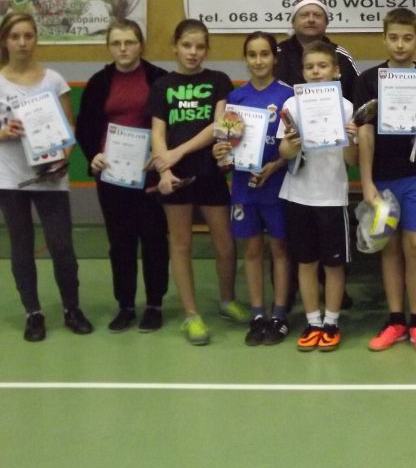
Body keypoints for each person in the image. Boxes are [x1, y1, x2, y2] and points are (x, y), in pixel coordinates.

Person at [149, 19, 246, 345]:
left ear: (206, 50)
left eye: (199, 46)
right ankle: (191, 315)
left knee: (225, 243)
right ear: (175, 47)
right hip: (175, 178)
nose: (193, 52)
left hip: (210, 172)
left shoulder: (218, 80)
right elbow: (158, 132)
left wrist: (178, 152)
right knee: (181, 245)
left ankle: (227, 300)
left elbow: (219, 125)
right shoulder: (162, 85)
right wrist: (165, 171)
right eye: (187, 45)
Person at [357, 8, 416, 356]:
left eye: (407, 38)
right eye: (393, 37)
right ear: (384, 39)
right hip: (382, 177)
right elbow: (364, 133)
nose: (400, 44)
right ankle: (395, 319)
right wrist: (367, 182)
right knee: (389, 246)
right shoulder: (368, 80)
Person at [0, 13, 92, 341]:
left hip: (50, 179)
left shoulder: (54, 80)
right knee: (21, 246)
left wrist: (62, 160)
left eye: (28, 36)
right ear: (5, 41)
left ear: (36, 39)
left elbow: (69, 128)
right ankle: (33, 313)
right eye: (15, 37)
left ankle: (72, 308)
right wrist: (4, 132)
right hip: (10, 179)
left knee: (61, 245)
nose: (23, 43)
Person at [75, 19, 169, 333]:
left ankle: (154, 304)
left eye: (129, 42)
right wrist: (94, 156)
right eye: (116, 43)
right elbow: (85, 127)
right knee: (120, 242)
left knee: (154, 240)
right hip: (112, 177)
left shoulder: (159, 79)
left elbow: (170, 124)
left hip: (150, 176)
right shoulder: (98, 82)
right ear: (109, 47)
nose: (123, 49)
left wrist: (161, 157)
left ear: (141, 45)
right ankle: (125, 306)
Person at [211, 32, 292, 346]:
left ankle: (280, 314)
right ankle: (258, 315)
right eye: (252, 55)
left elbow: (296, 147)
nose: (259, 61)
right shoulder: (235, 99)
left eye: (264, 54)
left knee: (280, 250)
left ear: (275, 58)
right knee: (253, 250)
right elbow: (226, 150)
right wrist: (221, 153)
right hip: (245, 188)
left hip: (279, 185)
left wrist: (274, 166)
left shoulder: (288, 97)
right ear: (245, 59)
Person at [277, 42, 359, 352]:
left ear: (336, 71)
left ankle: (331, 322)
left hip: (332, 197)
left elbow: (352, 160)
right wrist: (292, 144)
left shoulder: (347, 108)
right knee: (306, 262)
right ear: (302, 72)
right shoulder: (291, 105)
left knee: (334, 265)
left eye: (322, 66)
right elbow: (284, 152)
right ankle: (313, 322)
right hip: (298, 195)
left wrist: (351, 139)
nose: (316, 71)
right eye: (310, 67)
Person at [274, 0, 360, 98]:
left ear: (326, 23)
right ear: (293, 22)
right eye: (304, 15)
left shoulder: (340, 55)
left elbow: (358, 93)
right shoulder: (276, 54)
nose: (311, 20)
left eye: (317, 15)